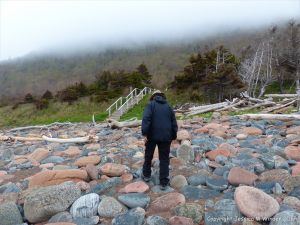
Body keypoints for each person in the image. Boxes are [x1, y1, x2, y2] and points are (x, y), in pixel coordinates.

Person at [141, 90, 178, 190]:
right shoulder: (169, 107)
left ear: (153, 97)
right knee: (164, 159)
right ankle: (164, 181)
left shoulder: (150, 105)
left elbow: (146, 119)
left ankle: (146, 175)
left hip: (151, 136)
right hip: (166, 136)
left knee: (148, 155)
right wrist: (174, 136)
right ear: (162, 96)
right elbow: (174, 122)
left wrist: (145, 133)